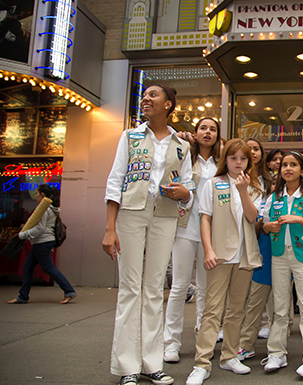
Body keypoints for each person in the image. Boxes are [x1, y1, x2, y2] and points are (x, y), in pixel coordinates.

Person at [103, 84, 192, 385]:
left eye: (153, 95)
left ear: (169, 104)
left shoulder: (182, 145)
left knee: (154, 289)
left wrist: (184, 193)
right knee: (130, 288)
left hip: (165, 216)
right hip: (131, 213)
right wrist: (109, 228)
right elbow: (115, 180)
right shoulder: (130, 136)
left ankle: (152, 363)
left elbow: (189, 186)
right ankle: (127, 366)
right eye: (144, 96)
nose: (146, 99)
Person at [186, 139, 262, 385]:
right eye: (233, 158)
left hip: (245, 256)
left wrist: (242, 190)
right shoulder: (212, 184)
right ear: (225, 160)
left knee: (237, 309)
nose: (238, 163)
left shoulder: (255, 187)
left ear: (248, 161)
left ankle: (229, 356)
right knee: (212, 310)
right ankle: (201, 363)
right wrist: (208, 250)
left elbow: (253, 218)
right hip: (219, 254)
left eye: (243, 158)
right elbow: (204, 219)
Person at [261, 151, 303, 379]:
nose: (287, 168)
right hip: (279, 256)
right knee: (279, 307)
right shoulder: (274, 197)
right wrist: (268, 227)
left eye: (293, 165)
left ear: (302, 170)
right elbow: (264, 223)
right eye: (284, 165)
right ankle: (276, 353)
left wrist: (299, 219)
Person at [163, 118, 221, 363]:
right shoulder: (186, 156)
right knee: (179, 287)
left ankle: (203, 337)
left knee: (207, 289)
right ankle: (171, 343)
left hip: (213, 233)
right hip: (186, 228)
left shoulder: (220, 163)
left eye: (213, 129)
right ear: (195, 133)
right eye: (203, 128)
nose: (208, 132)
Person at [236, 139, 276, 361]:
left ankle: (275, 347)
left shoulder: (272, 180)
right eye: (246, 150)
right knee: (245, 296)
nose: (251, 153)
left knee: (268, 296)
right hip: (240, 239)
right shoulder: (235, 177)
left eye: (255, 149)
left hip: (266, 241)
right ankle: (243, 342)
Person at [7, 184, 77, 305]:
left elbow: (39, 228)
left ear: (43, 195)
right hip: (43, 242)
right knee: (28, 268)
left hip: (42, 242)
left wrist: (22, 234)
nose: (36, 196)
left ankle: (69, 291)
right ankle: (22, 296)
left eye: (37, 193)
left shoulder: (44, 209)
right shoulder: (50, 208)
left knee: (47, 268)